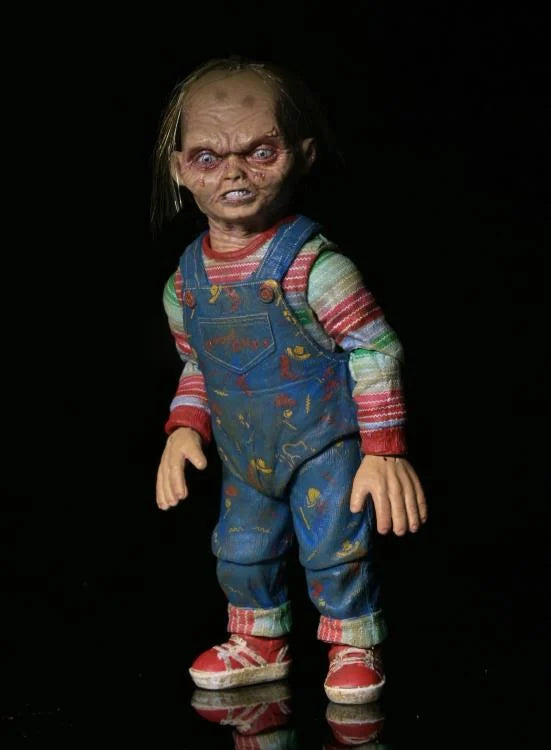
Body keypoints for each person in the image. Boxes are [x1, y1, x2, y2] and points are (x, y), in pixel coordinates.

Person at [152, 56, 427, 705]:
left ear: (301, 155)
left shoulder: (315, 269)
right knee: (241, 549)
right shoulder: (184, 285)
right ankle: (260, 639)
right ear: (179, 168)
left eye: (259, 152)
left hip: (323, 443)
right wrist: (183, 427)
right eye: (208, 157)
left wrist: (383, 449)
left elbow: (374, 346)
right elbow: (198, 363)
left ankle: (352, 642)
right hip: (244, 453)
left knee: (335, 546)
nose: (234, 173)